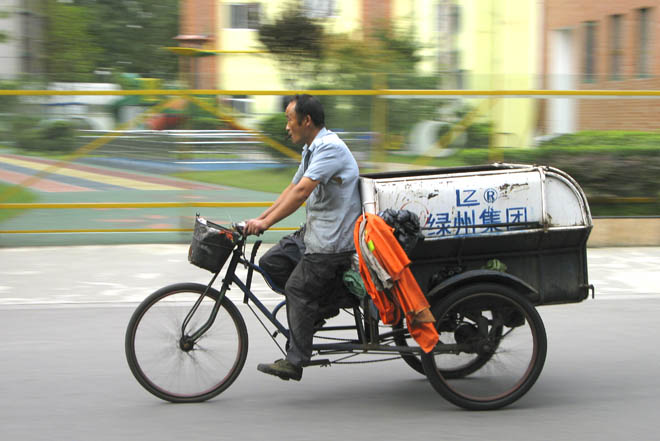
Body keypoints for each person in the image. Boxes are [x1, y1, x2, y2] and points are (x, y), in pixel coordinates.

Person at [245, 94, 361, 381]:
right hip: (314, 234)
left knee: (297, 290)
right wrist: (261, 219)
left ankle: (295, 360)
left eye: (289, 119)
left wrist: (266, 223)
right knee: (273, 262)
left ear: (306, 120)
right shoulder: (312, 149)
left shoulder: (330, 149)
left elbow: (301, 193)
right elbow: (292, 187)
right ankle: (320, 306)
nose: (287, 127)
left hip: (332, 243)